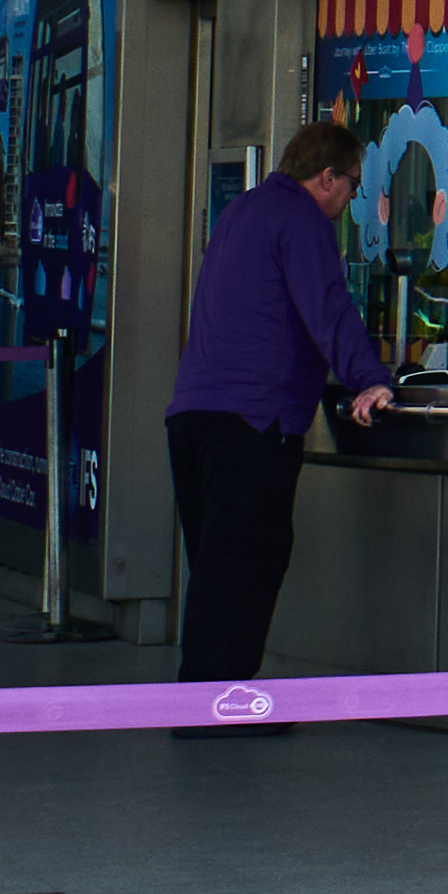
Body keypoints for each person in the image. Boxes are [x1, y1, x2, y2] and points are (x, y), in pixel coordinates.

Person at [164, 107, 395, 681]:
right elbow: (329, 307)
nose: (349, 202)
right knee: (245, 563)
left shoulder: (241, 211)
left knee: (217, 567)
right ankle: (216, 702)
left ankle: (211, 694)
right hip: (251, 421)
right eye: (352, 186)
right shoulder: (301, 220)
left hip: (193, 416)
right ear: (326, 178)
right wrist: (371, 378)